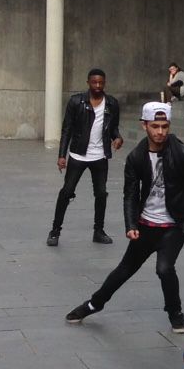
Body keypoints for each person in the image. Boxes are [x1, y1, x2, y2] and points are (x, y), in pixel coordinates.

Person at [66, 101, 184, 333]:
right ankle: (93, 304)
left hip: (175, 224)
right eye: (155, 126)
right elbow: (130, 194)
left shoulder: (183, 153)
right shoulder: (136, 157)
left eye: (165, 126)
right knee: (125, 269)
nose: (160, 132)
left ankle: (175, 314)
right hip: (146, 225)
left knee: (164, 268)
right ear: (144, 126)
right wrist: (131, 224)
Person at [49, 68, 123, 247]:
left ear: (104, 83)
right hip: (78, 155)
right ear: (88, 82)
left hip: (100, 156)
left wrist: (118, 138)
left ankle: (99, 231)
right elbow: (67, 129)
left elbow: (113, 127)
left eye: (101, 82)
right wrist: (61, 155)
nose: (98, 85)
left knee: (101, 193)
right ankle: (55, 231)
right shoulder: (76, 101)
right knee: (67, 191)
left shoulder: (112, 103)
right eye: (94, 82)